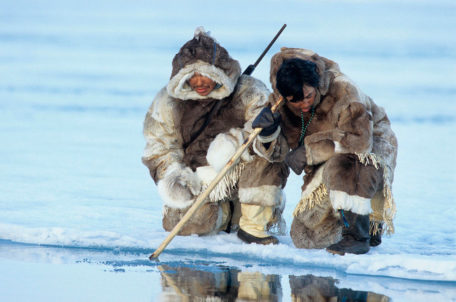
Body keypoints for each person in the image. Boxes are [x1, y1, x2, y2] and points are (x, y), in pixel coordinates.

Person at [141, 27, 289, 245]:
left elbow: (274, 145)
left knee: (266, 158)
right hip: (197, 181)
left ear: (219, 72)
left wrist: (264, 133)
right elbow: (158, 147)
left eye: (206, 75)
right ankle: (228, 214)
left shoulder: (248, 91)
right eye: (192, 77)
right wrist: (177, 180)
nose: (199, 83)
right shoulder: (168, 101)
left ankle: (254, 224)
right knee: (192, 225)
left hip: (239, 170)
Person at [252, 47, 398, 255]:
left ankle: (360, 233)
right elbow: (278, 155)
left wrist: (308, 152)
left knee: (349, 163)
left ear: (316, 84)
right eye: (296, 100)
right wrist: (267, 133)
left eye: (309, 96)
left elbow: (359, 142)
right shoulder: (278, 103)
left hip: (370, 144)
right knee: (307, 237)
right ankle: (346, 221)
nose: (304, 104)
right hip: (326, 155)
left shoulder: (344, 91)